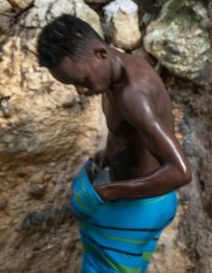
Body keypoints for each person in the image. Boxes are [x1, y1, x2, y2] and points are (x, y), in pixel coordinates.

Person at [36, 15, 192, 273]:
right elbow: (126, 133)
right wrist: (105, 158)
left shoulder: (133, 94)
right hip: (140, 203)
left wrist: (107, 193)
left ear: (99, 53)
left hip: (141, 206)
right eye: (73, 84)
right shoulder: (114, 74)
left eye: (82, 80)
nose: (80, 91)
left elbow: (180, 172)